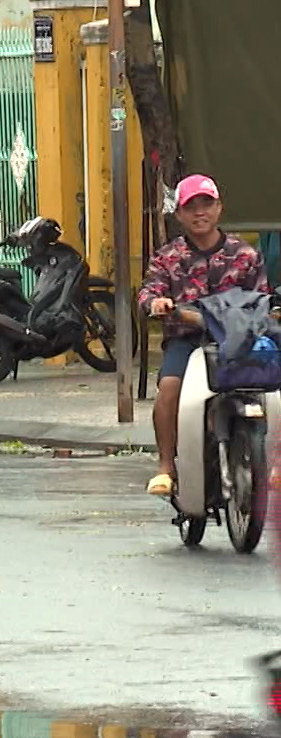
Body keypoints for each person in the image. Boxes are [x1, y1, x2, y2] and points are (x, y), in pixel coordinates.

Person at [138, 174, 269, 497]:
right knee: (169, 389)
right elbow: (147, 293)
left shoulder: (245, 254)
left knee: (271, 386)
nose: (200, 213)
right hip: (186, 340)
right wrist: (157, 303)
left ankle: (271, 461)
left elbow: (262, 298)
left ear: (219, 208)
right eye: (191, 207)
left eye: (206, 205)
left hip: (235, 338)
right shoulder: (167, 257)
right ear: (179, 214)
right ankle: (166, 467)